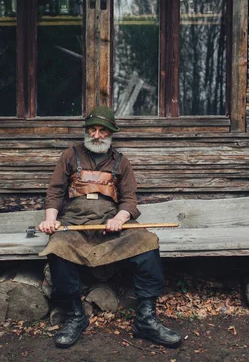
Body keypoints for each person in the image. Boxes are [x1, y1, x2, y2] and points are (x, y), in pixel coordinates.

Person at [38, 105, 182, 349]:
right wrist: (51, 219)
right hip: (74, 224)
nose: (96, 135)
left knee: (147, 243)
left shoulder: (121, 163)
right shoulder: (69, 156)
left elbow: (129, 199)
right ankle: (75, 316)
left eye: (102, 130)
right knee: (57, 248)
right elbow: (54, 193)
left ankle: (146, 320)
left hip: (111, 224)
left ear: (111, 133)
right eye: (92, 129)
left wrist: (121, 218)